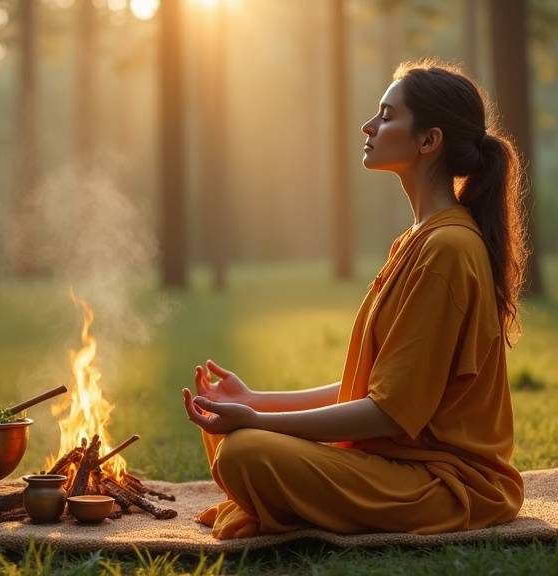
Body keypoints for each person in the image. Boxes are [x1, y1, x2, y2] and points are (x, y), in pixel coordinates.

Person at [181, 58, 528, 539]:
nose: (369, 125)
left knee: (245, 451)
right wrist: (257, 401)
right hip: (393, 463)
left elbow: (386, 413)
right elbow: (372, 390)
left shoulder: (447, 249)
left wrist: (261, 421)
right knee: (230, 432)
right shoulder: (420, 240)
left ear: (429, 141)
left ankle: (282, 493)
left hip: (446, 485)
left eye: (387, 115)